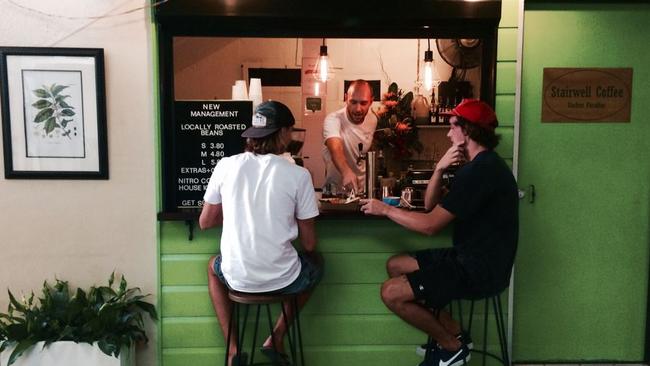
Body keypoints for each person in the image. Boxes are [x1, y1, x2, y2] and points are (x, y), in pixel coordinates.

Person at [359, 99, 518, 366]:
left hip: (478, 269)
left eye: (452, 126)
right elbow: (432, 204)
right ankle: (456, 334)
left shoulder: (480, 172)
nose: (447, 133)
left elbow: (430, 225)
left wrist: (385, 210)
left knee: (391, 292)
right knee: (396, 264)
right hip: (470, 257)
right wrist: (440, 168)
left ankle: (450, 347)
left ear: (467, 130)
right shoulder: (480, 166)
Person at [200, 101, 323, 366]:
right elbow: (310, 244)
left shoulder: (226, 165)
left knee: (212, 267)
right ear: (282, 134)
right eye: (289, 131)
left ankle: (233, 351)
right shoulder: (299, 175)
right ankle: (276, 337)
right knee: (316, 263)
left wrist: (238, 211)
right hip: (284, 279)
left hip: (237, 278)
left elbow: (205, 222)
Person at [322, 79, 377, 195]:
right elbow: (335, 148)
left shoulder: (373, 120)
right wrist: (346, 172)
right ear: (346, 98)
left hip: (362, 193)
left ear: (371, 101)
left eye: (363, 103)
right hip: (335, 194)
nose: (358, 109)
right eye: (353, 102)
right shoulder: (333, 119)